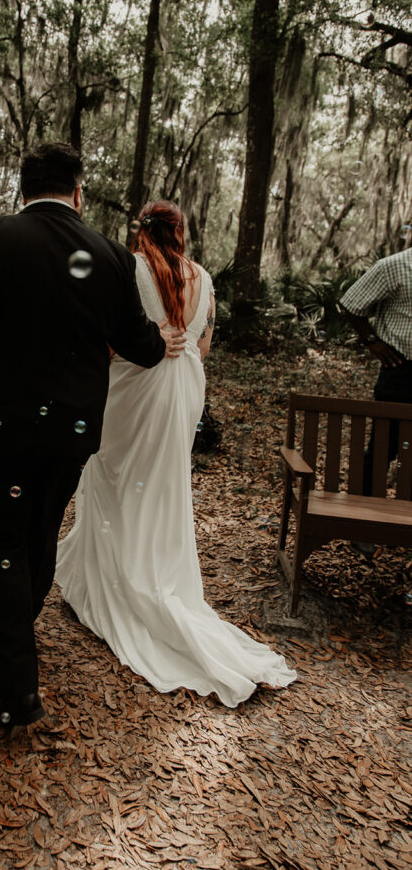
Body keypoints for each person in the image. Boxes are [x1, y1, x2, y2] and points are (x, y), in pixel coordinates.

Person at [0, 143, 186, 729]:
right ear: (78, 192)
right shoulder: (108, 255)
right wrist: (163, 341)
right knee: (37, 535)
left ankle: (17, 692)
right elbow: (136, 343)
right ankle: (17, 640)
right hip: (69, 437)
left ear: (22, 189)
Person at [56, 201, 297, 708]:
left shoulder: (128, 266)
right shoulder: (204, 278)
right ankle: (154, 570)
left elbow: (104, 339)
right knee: (161, 485)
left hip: (132, 387)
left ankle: (113, 585)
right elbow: (202, 347)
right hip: (184, 388)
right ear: (181, 232)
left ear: (141, 230)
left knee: (112, 475)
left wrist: (136, 346)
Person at [340, 246, 412, 553]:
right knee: (383, 449)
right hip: (400, 372)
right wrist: (372, 342)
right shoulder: (394, 266)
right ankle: (363, 525)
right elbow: (350, 305)